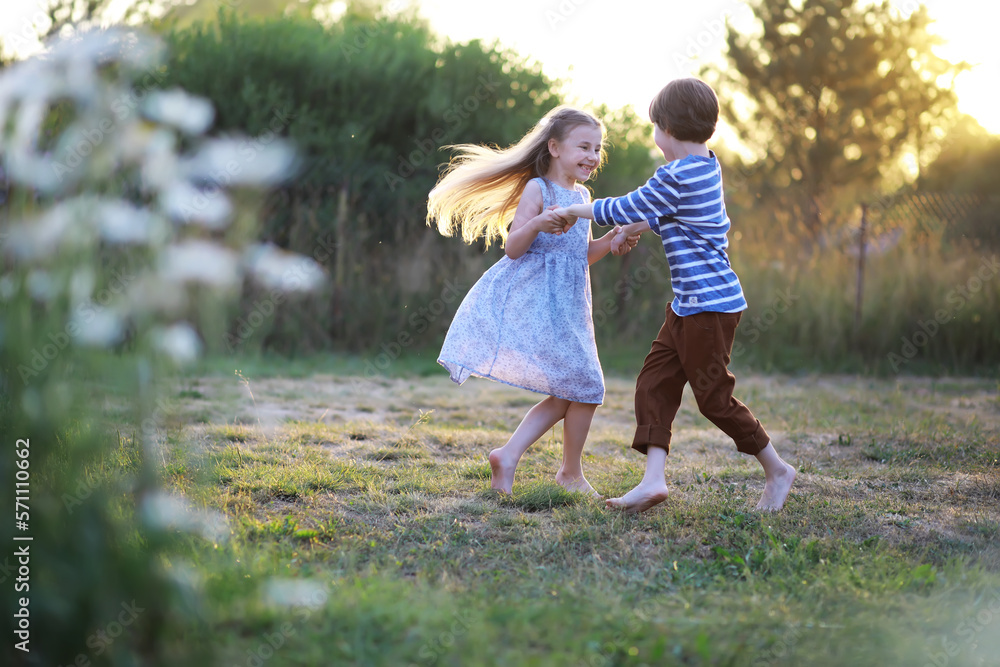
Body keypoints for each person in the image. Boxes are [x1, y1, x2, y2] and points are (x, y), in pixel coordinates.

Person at [553, 78, 795, 512]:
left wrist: (573, 209)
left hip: (709, 308)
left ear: (667, 128)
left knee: (714, 400)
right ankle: (653, 480)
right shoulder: (705, 166)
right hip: (688, 305)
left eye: (654, 128)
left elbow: (629, 205)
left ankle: (777, 469)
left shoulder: (678, 174)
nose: (654, 137)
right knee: (654, 383)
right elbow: (672, 216)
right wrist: (636, 228)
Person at [427, 106, 636, 496]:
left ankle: (520, 459)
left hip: (571, 304)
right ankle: (564, 472)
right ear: (555, 147)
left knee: (576, 388)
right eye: (584, 146)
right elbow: (513, 248)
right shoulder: (538, 189)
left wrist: (609, 242)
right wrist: (539, 222)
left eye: (597, 148)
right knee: (585, 385)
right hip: (538, 302)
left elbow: (579, 254)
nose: (592, 156)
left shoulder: (584, 196)